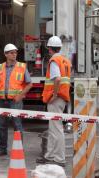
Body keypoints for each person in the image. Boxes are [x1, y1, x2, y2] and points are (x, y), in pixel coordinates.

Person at [36, 36, 71, 167]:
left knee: (56, 129)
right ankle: (49, 156)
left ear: (50, 48)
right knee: (53, 128)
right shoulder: (65, 60)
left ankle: (59, 159)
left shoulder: (54, 60)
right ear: (60, 47)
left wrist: (54, 94)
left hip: (56, 98)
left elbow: (56, 79)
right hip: (62, 97)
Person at [0, 43, 32, 156]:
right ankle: (2, 149)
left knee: (17, 125)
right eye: (11, 53)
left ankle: (19, 150)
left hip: (15, 101)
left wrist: (20, 95)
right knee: (2, 125)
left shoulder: (21, 67)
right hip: (2, 101)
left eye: (15, 52)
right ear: (5, 54)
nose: (14, 54)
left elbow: (29, 84)